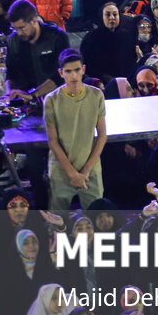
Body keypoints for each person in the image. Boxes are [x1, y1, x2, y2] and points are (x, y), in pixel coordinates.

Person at [42, 50, 106, 216]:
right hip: (61, 170)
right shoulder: (51, 100)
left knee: (97, 219)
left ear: (83, 69)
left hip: (90, 168)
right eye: (68, 71)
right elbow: (53, 141)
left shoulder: (96, 95)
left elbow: (102, 135)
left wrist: (84, 171)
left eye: (77, 70)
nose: (73, 75)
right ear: (60, 73)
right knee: (57, 220)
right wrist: (72, 173)